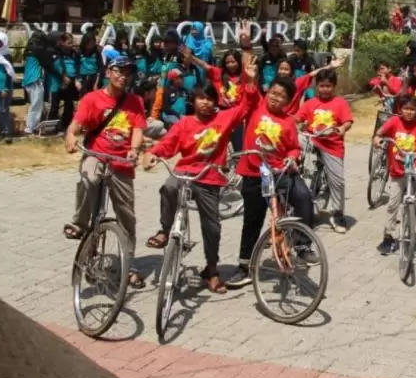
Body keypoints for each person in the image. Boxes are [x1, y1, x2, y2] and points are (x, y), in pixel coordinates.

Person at [143, 59, 259, 294]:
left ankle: (212, 270)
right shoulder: (184, 123)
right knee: (168, 187)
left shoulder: (224, 119)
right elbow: (168, 144)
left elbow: (248, 105)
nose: (205, 103)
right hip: (185, 173)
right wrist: (152, 153)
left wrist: (249, 80)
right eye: (201, 98)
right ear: (193, 101)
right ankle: (166, 230)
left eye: (210, 99)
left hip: (210, 178)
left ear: (216, 103)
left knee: (212, 228)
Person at [63, 55, 146, 289]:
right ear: (108, 72)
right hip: (97, 155)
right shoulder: (92, 99)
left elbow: (138, 129)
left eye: (127, 72)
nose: (123, 76)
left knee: (126, 216)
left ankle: (129, 265)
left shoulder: (135, 102)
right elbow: (76, 124)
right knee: (88, 178)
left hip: (121, 162)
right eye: (118, 70)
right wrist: (70, 135)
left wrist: (134, 149)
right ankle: (79, 224)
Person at [227, 76, 317, 289]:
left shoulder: (288, 121)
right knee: (252, 220)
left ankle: (302, 245)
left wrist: (292, 157)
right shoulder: (256, 107)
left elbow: (294, 147)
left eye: (282, 96)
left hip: (280, 172)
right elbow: (248, 94)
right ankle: (244, 268)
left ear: (288, 101)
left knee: (304, 197)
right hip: (253, 173)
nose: (276, 98)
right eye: (273, 93)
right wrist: (249, 77)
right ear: (267, 93)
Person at [373, 94, 416, 254]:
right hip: (398, 170)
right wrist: (377, 139)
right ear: (400, 109)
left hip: (415, 163)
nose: (409, 112)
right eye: (406, 109)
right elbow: (380, 133)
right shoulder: (394, 121)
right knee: (392, 205)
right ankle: (388, 237)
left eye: (413, 109)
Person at [296, 69, 353, 233]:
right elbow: (297, 118)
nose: (325, 89)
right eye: (322, 86)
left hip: (332, 146)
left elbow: (347, 121)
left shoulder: (340, 103)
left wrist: (342, 128)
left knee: (338, 182)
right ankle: (304, 213)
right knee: (304, 178)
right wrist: (295, 125)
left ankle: (337, 213)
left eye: (328, 86)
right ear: (316, 86)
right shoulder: (310, 103)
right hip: (312, 142)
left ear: (333, 87)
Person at [48, 32, 78, 133]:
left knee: (69, 105)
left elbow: (76, 65)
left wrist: (75, 79)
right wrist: (63, 77)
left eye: (72, 42)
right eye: (69, 43)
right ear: (62, 42)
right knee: (54, 106)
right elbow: (54, 67)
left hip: (70, 82)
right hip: (56, 83)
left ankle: (64, 125)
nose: (71, 45)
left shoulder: (73, 53)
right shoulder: (55, 52)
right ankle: (51, 127)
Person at [22, 32, 48, 136]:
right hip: (35, 80)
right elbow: (46, 61)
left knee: (36, 105)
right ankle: (29, 128)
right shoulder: (38, 50)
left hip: (29, 80)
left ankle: (34, 127)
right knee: (36, 105)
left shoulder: (28, 50)